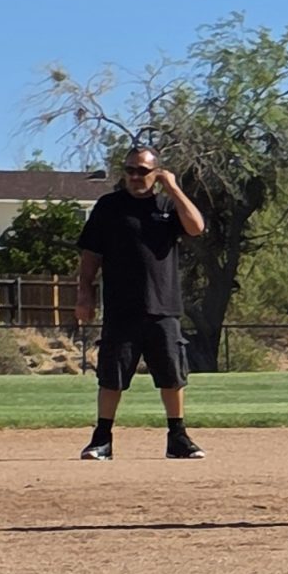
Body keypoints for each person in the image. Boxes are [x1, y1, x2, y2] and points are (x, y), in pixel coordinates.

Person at [72, 144, 208, 460]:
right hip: (121, 308)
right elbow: (91, 254)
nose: (135, 176)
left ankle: (178, 438)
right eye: (130, 170)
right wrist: (84, 293)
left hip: (164, 307)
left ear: (156, 173)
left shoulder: (167, 205)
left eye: (143, 171)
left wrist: (173, 187)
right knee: (112, 377)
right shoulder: (109, 207)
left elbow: (196, 227)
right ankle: (101, 439)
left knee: (173, 377)